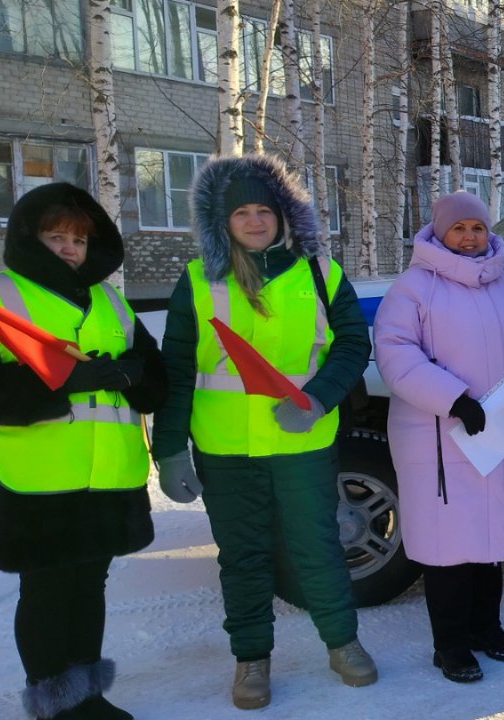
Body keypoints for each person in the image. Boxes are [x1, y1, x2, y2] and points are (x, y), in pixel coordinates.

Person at [151, 154, 377, 710]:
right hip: (225, 448)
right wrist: (170, 449)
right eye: (242, 213)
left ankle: (343, 643)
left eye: (265, 210)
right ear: (222, 222)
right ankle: (251, 659)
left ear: (284, 215)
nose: (255, 221)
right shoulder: (198, 280)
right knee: (243, 557)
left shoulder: (320, 274)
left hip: (301, 442)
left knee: (318, 549)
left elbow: (353, 345)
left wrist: (317, 400)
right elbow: (178, 368)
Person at [0, 183, 166, 720]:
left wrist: (129, 373)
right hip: (32, 478)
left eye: (79, 240)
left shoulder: (109, 300)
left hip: (108, 473)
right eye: (56, 236)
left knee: (90, 586)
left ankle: (86, 697)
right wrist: (62, 383)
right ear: (29, 237)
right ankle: (56, 704)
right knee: (47, 591)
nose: (69, 248)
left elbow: (154, 380)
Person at [373, 192, 504, 683]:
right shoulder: (414, 288)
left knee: (490, 542)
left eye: (478, 228)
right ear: (440, 232)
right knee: (448, 548)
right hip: (441, 439)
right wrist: (452, 398)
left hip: (498, 436)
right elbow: (394, 351)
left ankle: (487, 628)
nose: (471, 237)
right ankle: (450, 645)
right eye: (460, 229)